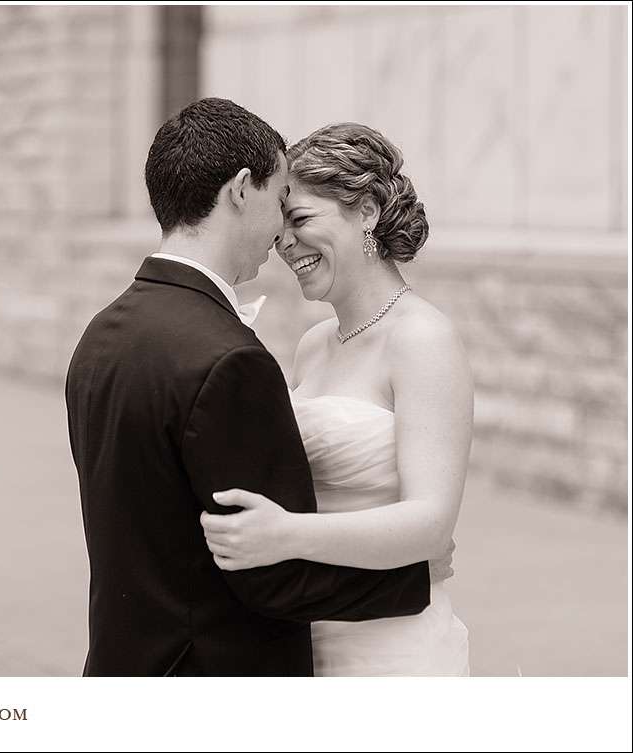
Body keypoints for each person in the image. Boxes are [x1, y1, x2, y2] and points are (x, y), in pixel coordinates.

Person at [65, 99, 432, 677]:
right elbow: (269, 577)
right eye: (280, 198)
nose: (281, 237)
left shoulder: (103, 335)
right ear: (242, 189)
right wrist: (415, 580)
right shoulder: (230, 357)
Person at [200, 122, 472, 676]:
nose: (286, 247)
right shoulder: (313, 345)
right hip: (309, 628)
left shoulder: (422, 339)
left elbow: (431, 524)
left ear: (367, 210)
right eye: (279, 233)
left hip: (391, 645)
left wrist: (285, 536)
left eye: (300, 221)